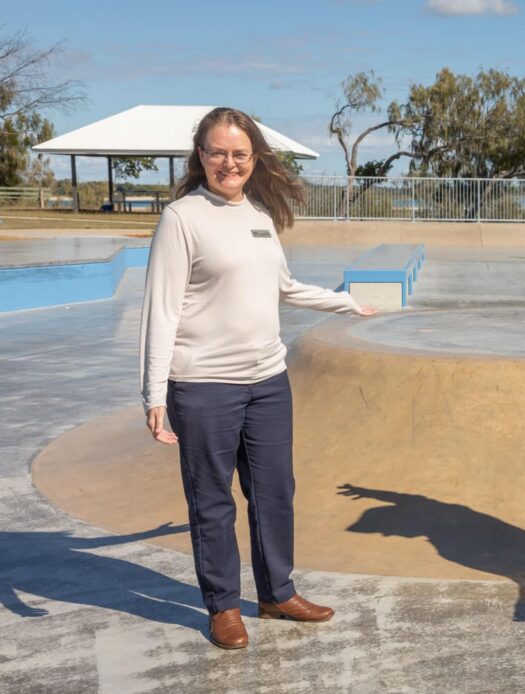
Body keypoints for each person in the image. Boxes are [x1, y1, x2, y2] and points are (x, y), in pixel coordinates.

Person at [140, 107, 376, 650]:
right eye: (218, 152)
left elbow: (284, 287)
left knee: (275, 492)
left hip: (268, 381)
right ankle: (223, 606)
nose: (229, 163)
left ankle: (277, 593)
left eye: (240, 154)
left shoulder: (259, 215)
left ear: (254, 158)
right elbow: (161, 310)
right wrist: (154, 394)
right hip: (204, 385)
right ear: (201, 156)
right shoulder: (182, 218)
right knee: (212, 501)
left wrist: (345, 303)